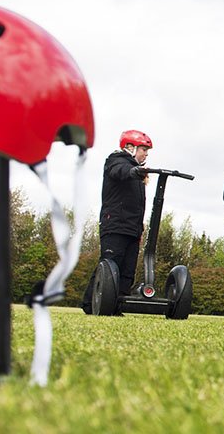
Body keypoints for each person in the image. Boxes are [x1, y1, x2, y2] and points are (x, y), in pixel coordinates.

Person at [81, 130, 151, 312]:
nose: (146, 154)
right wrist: (133, 171)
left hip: (132, 228)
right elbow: (119, 171)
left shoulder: (138, 173)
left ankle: (117, 305)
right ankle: (91, 304)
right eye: (143, 149)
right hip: (115, 224)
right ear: (131, 147)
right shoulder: (116, 160)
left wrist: (140, 229)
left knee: (128, 270)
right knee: (110, 264)